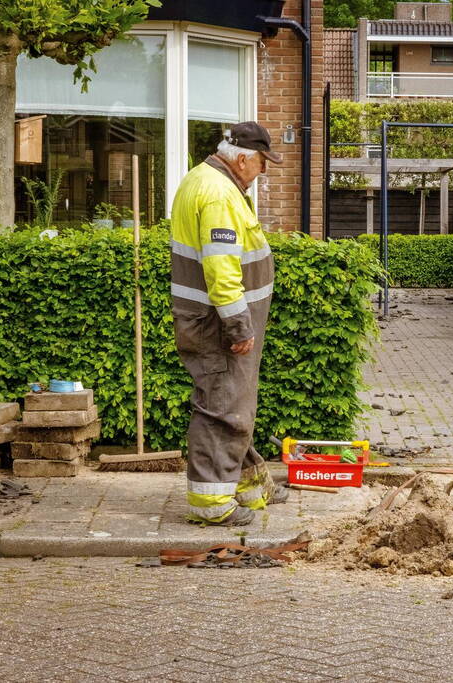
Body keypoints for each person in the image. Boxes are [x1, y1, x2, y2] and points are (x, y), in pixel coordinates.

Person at [170, 121, 286, 526]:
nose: (263, 170)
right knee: (222, 406)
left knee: (234, 401)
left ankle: (250, 485)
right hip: (218, 323)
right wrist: (238, 325)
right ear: (241, 159)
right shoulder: (219, 194)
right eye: (261, 162)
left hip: (208, 317)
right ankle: (212, 504)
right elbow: (221, 269)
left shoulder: (202, 179)